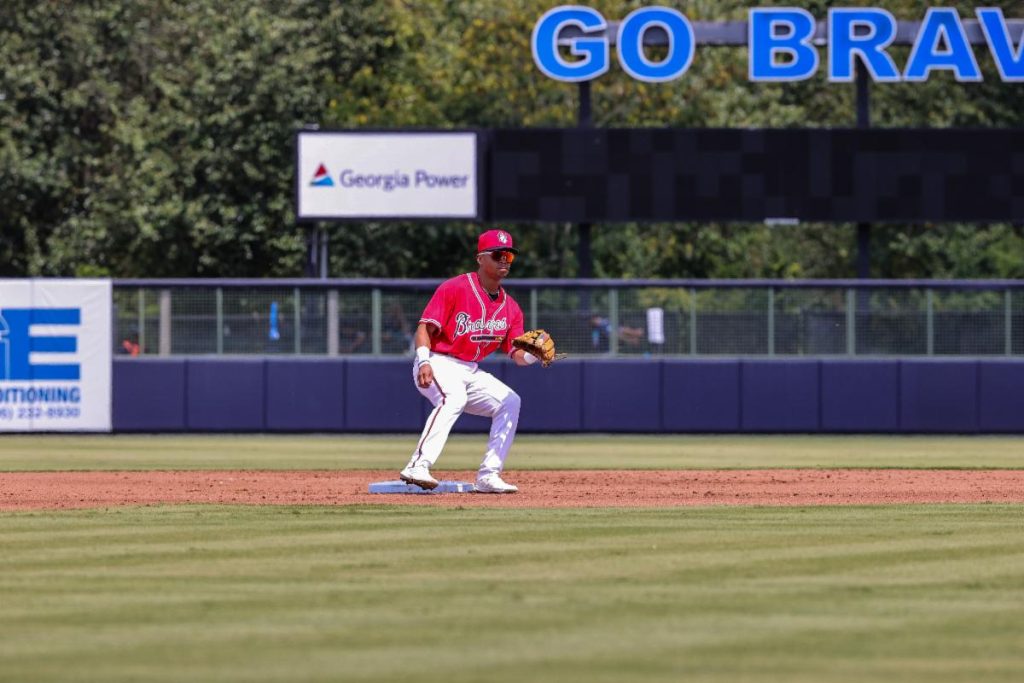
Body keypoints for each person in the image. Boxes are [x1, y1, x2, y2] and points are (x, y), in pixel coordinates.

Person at [399, 229, 538, 494]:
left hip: (469, 369)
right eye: (498, 255)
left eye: (509, 256)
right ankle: (418, 465)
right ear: (480, 259)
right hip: (437, 360)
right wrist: (424, 361)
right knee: (454, 398)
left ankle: (489, 475)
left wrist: (534, 354)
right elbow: (424, 329)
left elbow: (517, 355)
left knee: (510, 401)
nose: (504, 261)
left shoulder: (512, 308)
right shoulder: (455, 288)